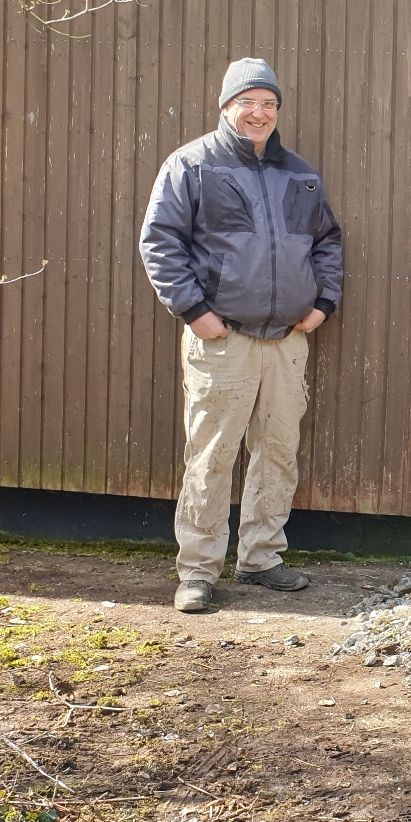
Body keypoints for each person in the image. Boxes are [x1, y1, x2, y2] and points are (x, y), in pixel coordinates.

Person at [140, 58, 343, 614]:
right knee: (212, 453)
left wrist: (323, 302)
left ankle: (261, 558)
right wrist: (194, 312)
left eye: (269, 104)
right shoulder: (192, 165)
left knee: (278, 452)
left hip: (286, 340)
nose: (259, 113)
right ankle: (198, 571)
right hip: (221, 339)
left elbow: (327, 240)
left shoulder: (299, 172)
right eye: (248, 102)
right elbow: (159, 242)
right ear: (227, 106)